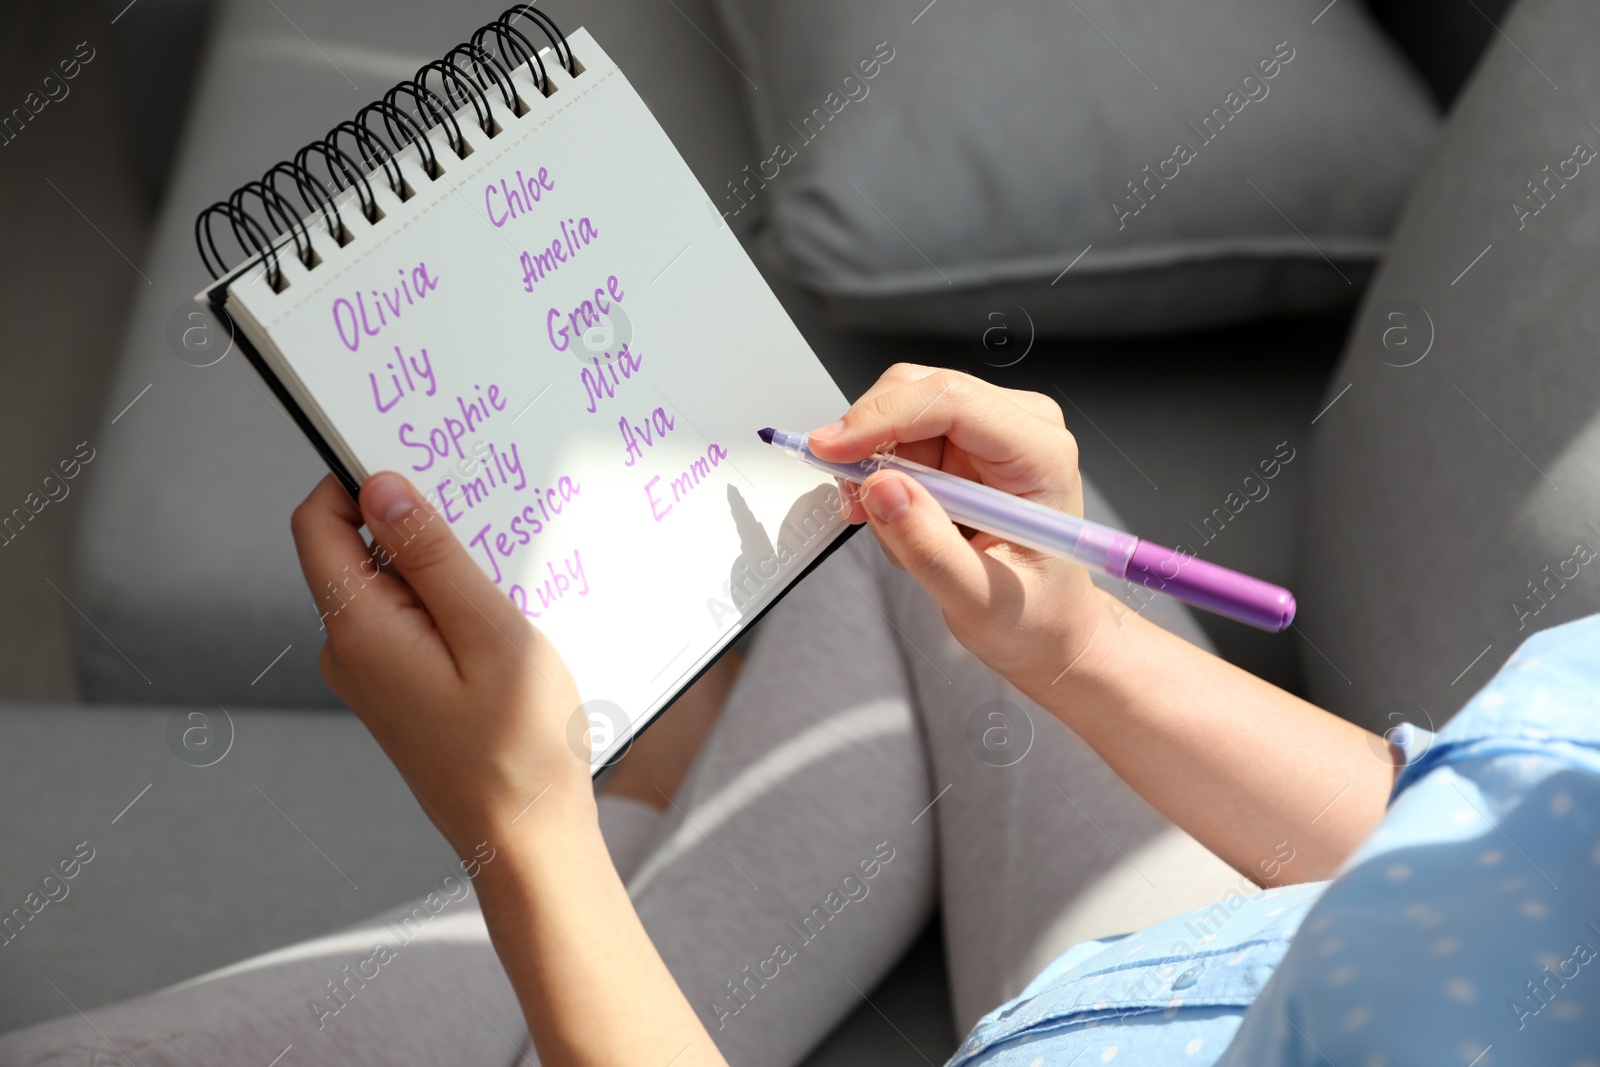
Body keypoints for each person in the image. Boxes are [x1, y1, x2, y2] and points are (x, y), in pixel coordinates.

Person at [6, 365, 1594, 1064]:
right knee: (884, 526)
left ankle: (641, 826)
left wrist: (524, 838)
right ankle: (666, 824)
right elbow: (1479, 844)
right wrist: (1072, 650)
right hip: (1183, 980)